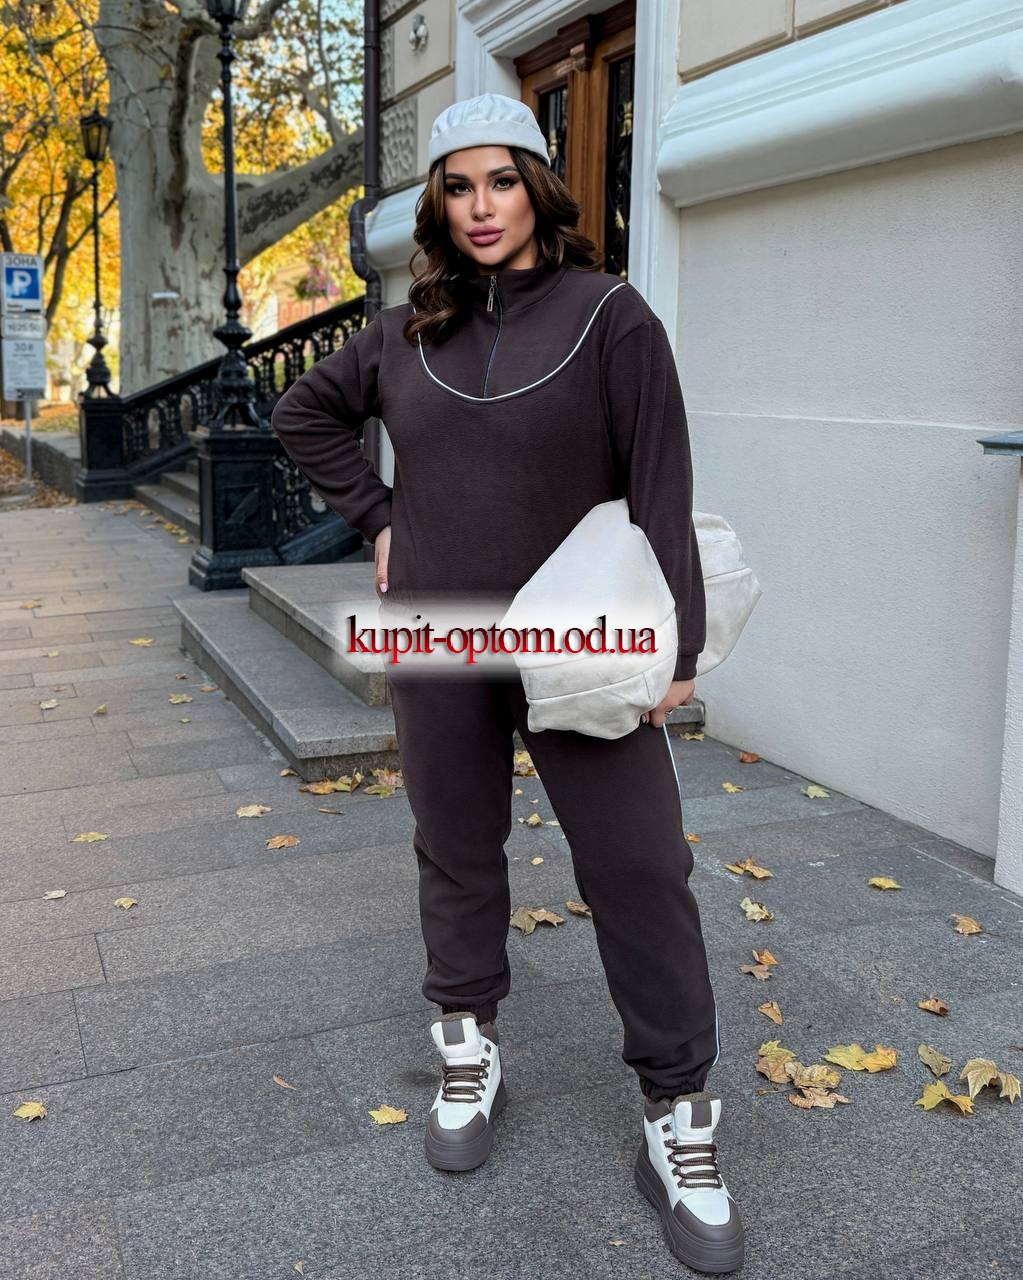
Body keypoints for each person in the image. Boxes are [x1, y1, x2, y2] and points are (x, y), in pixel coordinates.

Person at [271, 92, 744, 1274]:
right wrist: (380, 517)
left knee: (640, 862)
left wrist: (679, 649)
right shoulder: (403, 332)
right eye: (458, 186)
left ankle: (678, 1110)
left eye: (502, 181)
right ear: (437, 205)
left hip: (580, 634)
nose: (481, 207)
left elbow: (661, 480)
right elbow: (303, 412)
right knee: (455, 845)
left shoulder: (610, 315)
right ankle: (468, 1041)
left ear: (539, 188)